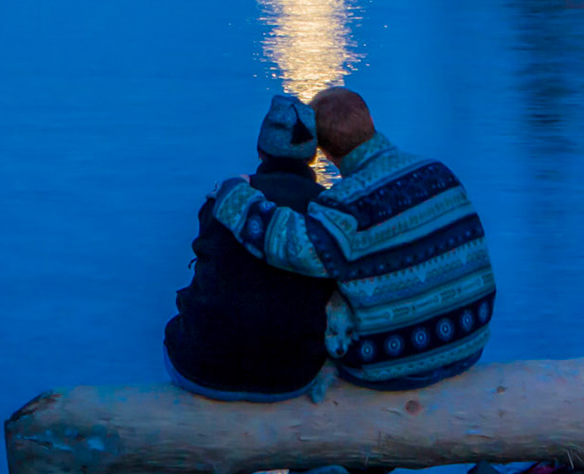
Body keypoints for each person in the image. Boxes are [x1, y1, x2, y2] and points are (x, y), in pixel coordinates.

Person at [210, 87, 496, 391]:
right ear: (370, 119)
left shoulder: (344, 205)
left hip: (399, 365)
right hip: (471, 342)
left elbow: (293, 245)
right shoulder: (439, 172)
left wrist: (234, 194)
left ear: (324, 151)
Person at [163, 95, 336, 401]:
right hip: (290, 377)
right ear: (312, 157)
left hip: (201, 369)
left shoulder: (224, 200)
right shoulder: (331, 212)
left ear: (261, 151)